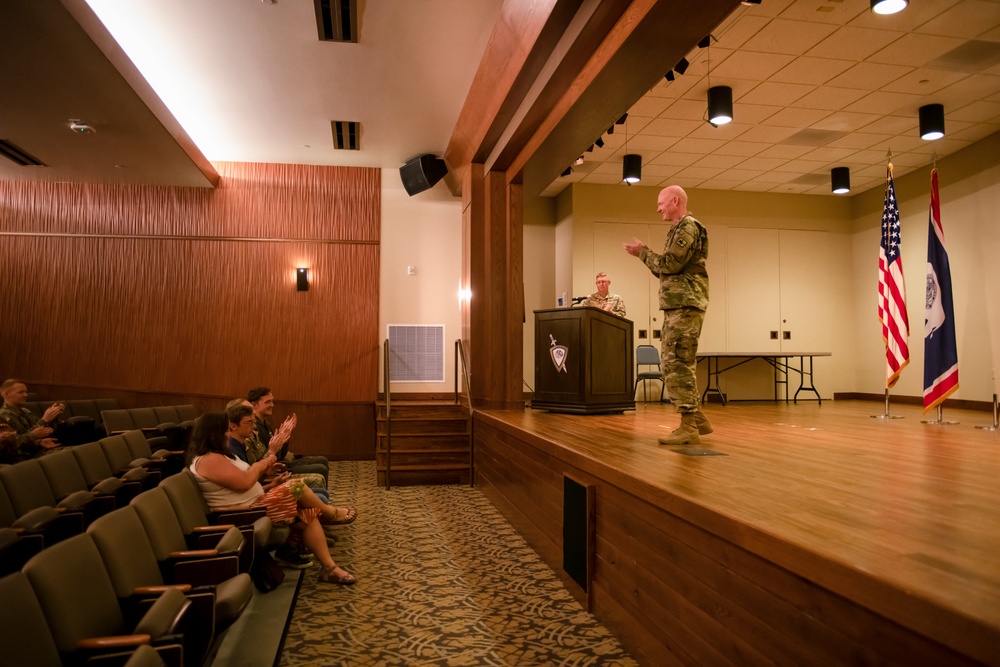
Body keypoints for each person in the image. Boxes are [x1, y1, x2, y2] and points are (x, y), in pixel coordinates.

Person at [186, 412, 356, 584]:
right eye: (225, 430)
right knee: (296, 486)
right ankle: (330, 513)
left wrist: (268, 483)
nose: (228, 434)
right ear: (214, 432)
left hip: (255, 502)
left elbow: (239, 485)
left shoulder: (219, 455)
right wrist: (259, 466)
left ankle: (330, 569)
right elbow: (244, 483)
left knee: (308, 511)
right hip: (244, 513)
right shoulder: (208, 459)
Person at [624, 185, 713, 445]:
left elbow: (670, 264)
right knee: (675, 362)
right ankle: (696, 418)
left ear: (675, 200)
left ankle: (688, 426)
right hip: (678, 305)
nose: (658, 208)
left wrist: (643, 252)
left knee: (677, 363)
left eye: (661, 202)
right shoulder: (677, 229)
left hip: (685, 305)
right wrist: (645, 255)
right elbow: (666, 270)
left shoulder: (687, 227)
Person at [226, 399, 330, 503]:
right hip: (256, 497)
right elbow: (247, 484)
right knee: (320, 493)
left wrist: (284, 439)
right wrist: (271, 453)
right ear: (233, 425)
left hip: (266, 480)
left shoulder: (250, 437)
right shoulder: (231, 449)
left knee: (322, 491)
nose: (254, 425)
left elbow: (256, 474)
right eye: (249, 421)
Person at [246, 387, 330, 484]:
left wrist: (284, 440)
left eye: (272, 401)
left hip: (279, 463)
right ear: (254, 405)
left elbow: (281, 455)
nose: (272, 405)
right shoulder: (253, 429)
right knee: (321, 468)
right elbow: (266, 459)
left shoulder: (266, 424)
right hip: (271, 471)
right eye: (268, 402)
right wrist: (274, 448)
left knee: (322, 460)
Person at [0, 379, 63, 460]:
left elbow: (43, 431)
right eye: (21, 392)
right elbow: (11, 444)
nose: (25, 395)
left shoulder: (25, 411)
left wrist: (53, 415)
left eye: (26, 392)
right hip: (24, 457)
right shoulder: (3, 415)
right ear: (6, 394)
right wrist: (44, 420)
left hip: (38, 448)